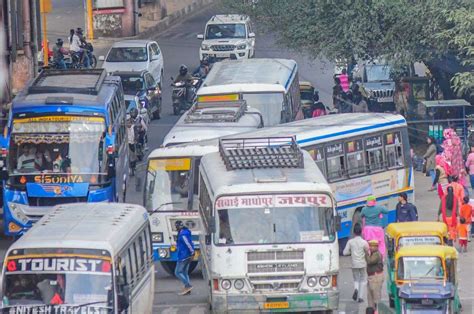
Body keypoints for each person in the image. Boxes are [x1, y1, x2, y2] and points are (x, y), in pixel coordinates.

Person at [343, 223, 368, 303]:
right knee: (363, 279)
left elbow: (344, 253)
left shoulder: (350, 242)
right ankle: (360, 297)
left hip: (354, 264)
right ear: (361, 232)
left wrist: (351, 252)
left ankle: (356, 289)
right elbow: (368, 252)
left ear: (353, 232)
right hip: (362, 263)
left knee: (356, 279)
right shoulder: (364, 242)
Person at [175, 220, 195, 295]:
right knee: (185, 272)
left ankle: (188, 285)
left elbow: (188, 244)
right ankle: (187, 290)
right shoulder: (185, 232)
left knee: (177, 272)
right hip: (187, 255)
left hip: (183, 256)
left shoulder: (182, 235)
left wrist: (192, 252)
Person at [365, 240, 384, 312]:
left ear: (376, 247)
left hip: (376, 277)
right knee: (370, 297)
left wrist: (366, 254)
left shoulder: (376, 254)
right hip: (372, 277)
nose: (370, 248)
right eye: (370, 246)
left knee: (376, 298)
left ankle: (377, 311)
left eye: (373, 246)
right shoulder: (373, 253)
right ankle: (372, 310)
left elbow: (370, 261)